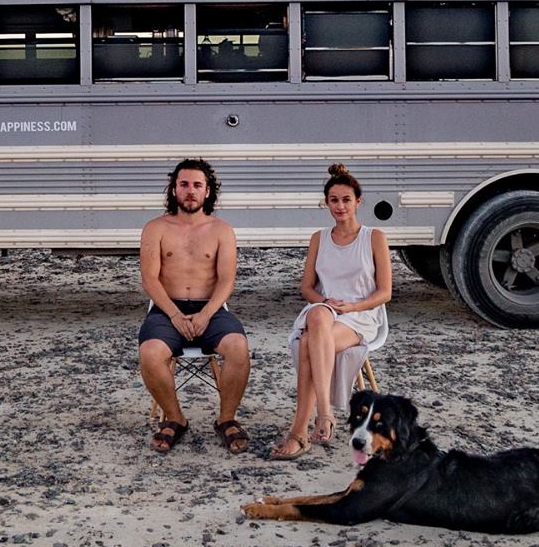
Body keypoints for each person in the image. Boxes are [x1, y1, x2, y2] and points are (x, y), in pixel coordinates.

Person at [269, 163, 391, 460]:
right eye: (334, 200)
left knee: (310, 341)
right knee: (317, 314)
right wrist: (326, 301)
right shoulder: (319, 238)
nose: (340, 206)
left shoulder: (373, 237)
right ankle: (325, 412)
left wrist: (352, 306)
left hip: (360, 315)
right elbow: (307, 288)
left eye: (346, 200)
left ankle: (301, 431)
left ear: (358, 202)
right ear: (326, 203)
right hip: (327, 311)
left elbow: (384, 293)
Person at [138, 158, 252, 454]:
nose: (191, 191)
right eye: (184, 184)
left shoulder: (221, 230)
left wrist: (205, 314)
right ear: (174, 189)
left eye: (197, 185)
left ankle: (227, 419)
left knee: (238, 346)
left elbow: (227, 281)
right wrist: (174, 315)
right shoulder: (155, 228)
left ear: (208, 192)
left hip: (211, 309)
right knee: (150, 353)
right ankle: (175, 418)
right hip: (166, 308)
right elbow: (149, 279)